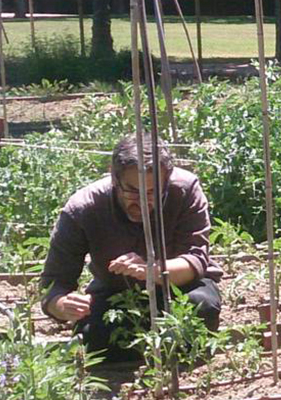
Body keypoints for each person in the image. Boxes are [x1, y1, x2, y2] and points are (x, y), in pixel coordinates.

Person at [40, 134, 222, 364]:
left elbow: (196, 260)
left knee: (201, 307)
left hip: (180, 286)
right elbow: (53, 283)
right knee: (92, 335)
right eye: (132, 191)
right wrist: (62, 305)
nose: (144, 202)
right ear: (114, 177)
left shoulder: (185, 189)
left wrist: (153, 270)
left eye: (153, 192)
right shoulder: (83, 208)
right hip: (116, 293)